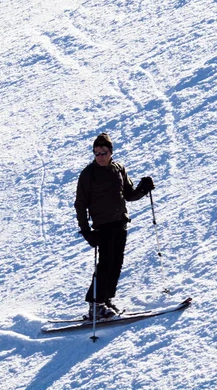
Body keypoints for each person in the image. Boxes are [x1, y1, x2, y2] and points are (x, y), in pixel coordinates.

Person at [74, 133, 155, 320]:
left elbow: (128, 195)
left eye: (103, 152)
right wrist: (86, 231)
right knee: (105, 264)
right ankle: (95, 305)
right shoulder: (88, 174)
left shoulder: (118, 169)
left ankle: (106, 300)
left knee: (116, 263)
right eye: (96, 153)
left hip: (120, 222)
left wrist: (143, 189)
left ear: (111, 152)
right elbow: (80, 204)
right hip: (102, 226)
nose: (100, 156)